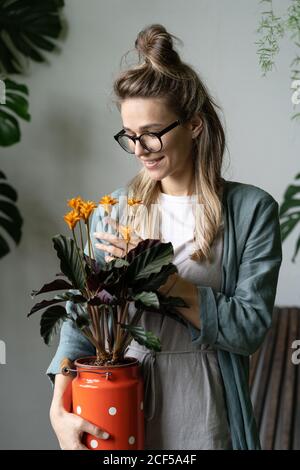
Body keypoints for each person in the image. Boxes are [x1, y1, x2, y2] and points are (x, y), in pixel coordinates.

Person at [47, 24, 282, 450]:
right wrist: (59, 411)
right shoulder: (111, 212)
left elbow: (250, 329)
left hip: (206, 407)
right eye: (129, 136)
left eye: (152, 132)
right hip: (116, 403)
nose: (140, 149)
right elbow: (78, 322)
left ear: (194, 124)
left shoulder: (251, 211)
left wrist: (167, 282)